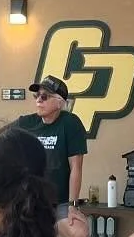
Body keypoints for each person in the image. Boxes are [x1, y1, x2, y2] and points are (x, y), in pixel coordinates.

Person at [16, 75, 87, 206]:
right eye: (37, 95)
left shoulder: (71, 123)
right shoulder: (26, 123)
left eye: (44, 96)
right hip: (30, 203)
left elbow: (76, 168)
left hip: (60, 203)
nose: (38, 100)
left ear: (60, 102)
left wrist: (73, 205)